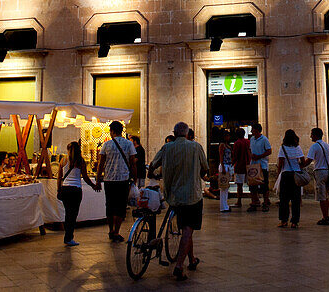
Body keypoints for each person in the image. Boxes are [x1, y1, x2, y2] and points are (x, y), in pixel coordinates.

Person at [148, 122, 209, 282]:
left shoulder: (167, 148)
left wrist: (153, 174)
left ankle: (192, 259)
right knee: (188, 230)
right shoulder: (196, 147)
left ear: (174, 133)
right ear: (187, 133)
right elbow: (205, 167)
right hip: (192, 196)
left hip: (173, 196)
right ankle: (179, 266)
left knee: (186, 230)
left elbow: (153, 165)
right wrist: (199, 174)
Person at [95, 121, 136, 243]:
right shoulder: (129, 144)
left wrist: (98, 180)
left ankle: (110, 229)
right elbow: (133, 162)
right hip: (123, 179)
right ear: (121, 130)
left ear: (112, 131)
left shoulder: (106, 145)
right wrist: (135, 177)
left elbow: (100, 164)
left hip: (109, 179)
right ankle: (117, 231)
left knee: (110, 205)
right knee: (120, 206)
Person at [57, 140, 99, 247]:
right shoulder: (80, 161)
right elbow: (85, 177)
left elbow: (59, 177)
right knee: (73, 214)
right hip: (76, 189)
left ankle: (67, 236)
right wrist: (93, 185)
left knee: (68, 213)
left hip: (65, 189)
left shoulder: (63, 160)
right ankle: (69, 237)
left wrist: (59, 189)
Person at [275, 129, 310, 229]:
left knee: (284, 199)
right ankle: (295, 221)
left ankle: (284, 220)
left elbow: (280, 163)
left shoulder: (283, 148)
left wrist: (278, 175)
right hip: (296, 175)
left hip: (286, 175)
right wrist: (297, 166)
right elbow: (303, 162)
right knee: (296, 200)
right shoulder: (298, 148)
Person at [306, 127, 329, 225]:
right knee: (326, 195)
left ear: (315, 135)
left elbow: (309, 160)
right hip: (327, 170)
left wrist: (301, 166)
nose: (310, 137)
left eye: (311, 134)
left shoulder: (314, 147)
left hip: (320, 171)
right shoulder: (327, 146)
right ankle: (326, 215)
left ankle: (325, 217)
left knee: (322, 196)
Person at [247, 123, 272, 212]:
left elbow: (269, 151)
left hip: (262, 165)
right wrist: (251, 155)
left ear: (257, 130)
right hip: (253, 165)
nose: (251, 131)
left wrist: (260, 156)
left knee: (264, 185)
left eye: (253, 130)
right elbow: (249, 149)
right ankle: (254, 202)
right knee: (253, 185)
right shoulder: (252, 139)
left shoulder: (264, 139)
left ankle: (265, 203)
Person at [230, 128, 250, 208]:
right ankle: (254, 200)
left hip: (239, 166)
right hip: (248, 165)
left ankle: (239, 201)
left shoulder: (237, 143)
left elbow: (235, 155)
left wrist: (232, 163)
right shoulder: (248, 142)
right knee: (251, 184)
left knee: (239, 185)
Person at [216, 129, 233, 213]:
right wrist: (222, 167)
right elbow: (221, 156)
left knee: (226, 187)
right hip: (224, 166)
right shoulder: (222, 145)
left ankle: (225, 205)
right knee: (223, 187)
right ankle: (223, 206)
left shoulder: (227, 145)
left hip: (228, 165)